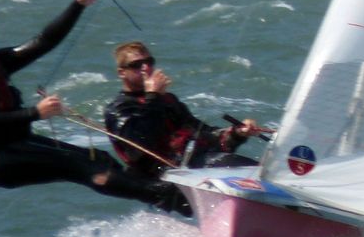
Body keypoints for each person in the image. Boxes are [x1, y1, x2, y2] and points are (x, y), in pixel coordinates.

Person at [0, 0, 189, 214]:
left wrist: (80, 3)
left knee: (99, 159)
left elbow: (43, 41)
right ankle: (173, 198)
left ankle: (156, 194)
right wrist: (36, 113)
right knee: (84, 167)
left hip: (18, 144)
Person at [103, 41, 264, 179]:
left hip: (194, 165)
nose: (146, 68)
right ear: (122, 73)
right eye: (136, 65)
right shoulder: (119, 109)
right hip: (163, 177)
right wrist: (153, 96)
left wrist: (237, 133)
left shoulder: (167, 100)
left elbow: (202, 133)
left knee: (257, 170)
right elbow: (138, 147)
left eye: (149, 62)